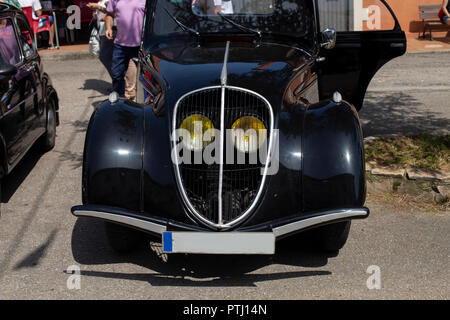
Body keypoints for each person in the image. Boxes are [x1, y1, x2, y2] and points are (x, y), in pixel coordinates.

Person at [105, 0, 145, 99]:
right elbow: (109, 14)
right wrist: (108, 28)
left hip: (140, 44)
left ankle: (146, 104)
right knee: (117, 76)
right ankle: (120, 102)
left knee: (145, 77)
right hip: (120, 45)